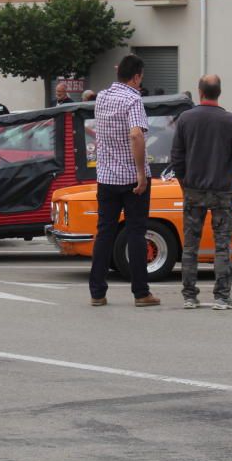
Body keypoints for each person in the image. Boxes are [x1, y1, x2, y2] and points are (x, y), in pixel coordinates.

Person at [88, 54, 160, 308]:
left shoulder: (103, 97)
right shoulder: (133, 99)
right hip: (130, 178)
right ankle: (140, 292)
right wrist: (141, 173)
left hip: (106, 177)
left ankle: (97, 291)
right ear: (137, 76)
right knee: (136, 233)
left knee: (105, 232)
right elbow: (136, 135)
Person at [170, 75, 232, 311]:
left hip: (193, 190)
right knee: (222, 245)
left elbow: (176, 157)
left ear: (200, 91)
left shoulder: (186, 119)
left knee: (191, 246)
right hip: (222, 191)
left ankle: (189, 296)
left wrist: (185, 185)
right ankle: (222, 296)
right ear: (219, 92)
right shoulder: (231, 121)